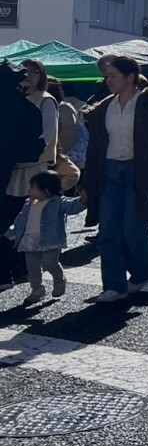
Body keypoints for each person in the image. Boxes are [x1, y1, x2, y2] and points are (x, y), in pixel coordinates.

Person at [78, 55, 148, 303]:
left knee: (133, 229)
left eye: (113, 76)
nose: (108, 80)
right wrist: (87, 183)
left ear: (130, 77)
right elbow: (94, 148)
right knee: (108, 231)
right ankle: (114, 285)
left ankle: (144, 271)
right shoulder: (104, 107)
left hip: (138, 172)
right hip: (109, 170)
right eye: (107, 76)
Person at [2, 61, 57, 290]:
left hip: (32, 169)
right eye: (25, 72)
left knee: (28, 219)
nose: (29, 76)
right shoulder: (17, 98)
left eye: (34, 72)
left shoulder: (45, 100)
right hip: (13, 168)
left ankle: (22, 267)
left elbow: (48, 138)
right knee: (13, 219)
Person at [6, 171, 86, 303]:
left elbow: (72, 206)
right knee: (32, 267)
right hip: (29, 240)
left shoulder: (58, 202)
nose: (29, 190)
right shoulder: (29, 203)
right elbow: (21, 220)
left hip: (50, 240)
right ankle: (37, 289)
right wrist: (12, 232)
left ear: (47, 191)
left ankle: (59, 279)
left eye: (33, 187)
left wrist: (82, 201)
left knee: (50, 263)